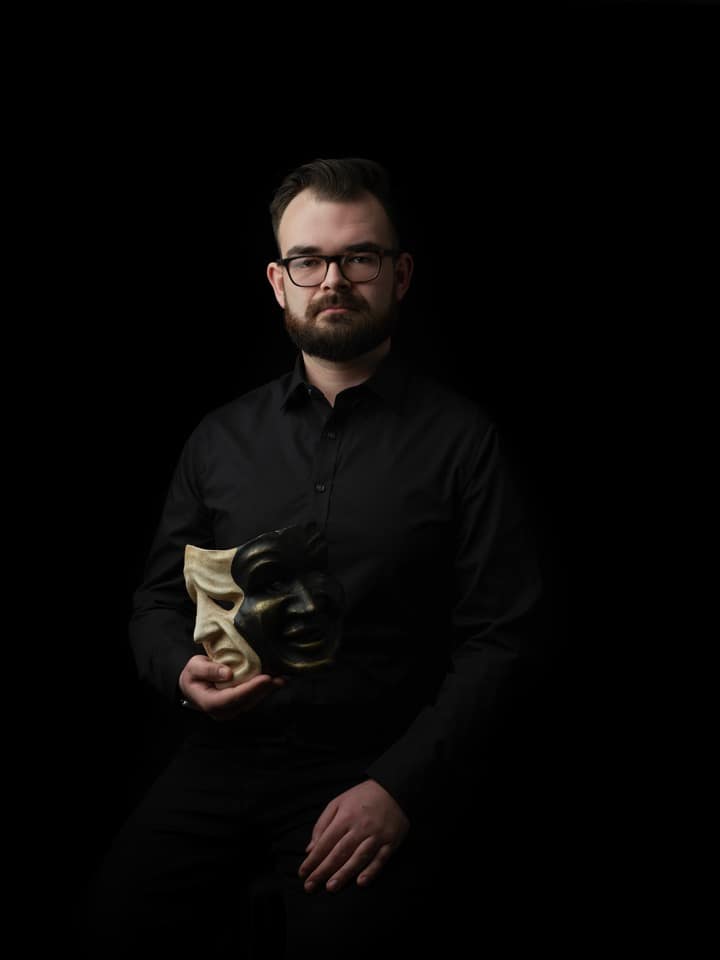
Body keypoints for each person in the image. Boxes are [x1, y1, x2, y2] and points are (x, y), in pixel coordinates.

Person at [86, 157, 546, 958]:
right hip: (224, 756)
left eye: (358, 257)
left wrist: (399, 788)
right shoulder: (219, 439)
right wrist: (181, 675)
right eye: (308, 261)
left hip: (374, 765)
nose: (332, 280)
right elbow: (155, 603)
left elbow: (501, 638)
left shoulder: (464, 442)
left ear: (400, 274)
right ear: (278, 281)